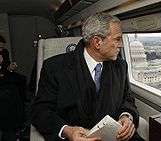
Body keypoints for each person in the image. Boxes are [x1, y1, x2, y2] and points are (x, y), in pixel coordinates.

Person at [31, 13, 144, 141]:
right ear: (97, 42)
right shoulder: (54, 68)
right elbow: (40, 111)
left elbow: (127, 99)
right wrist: (67, 131)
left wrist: (126, 116)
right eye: (117, 39)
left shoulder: (121, 66)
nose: (121, 45)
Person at [0, 39, 26, 141]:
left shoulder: (4, 52)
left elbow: (6, 66)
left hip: (4, 75)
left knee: (21, 80)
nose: (1, 49)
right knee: (8, 92)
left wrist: (10, 67)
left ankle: (20, 116)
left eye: (2, 47)